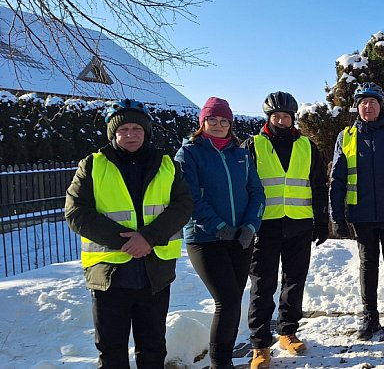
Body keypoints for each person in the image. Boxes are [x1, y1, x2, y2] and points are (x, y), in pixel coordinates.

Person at [64, 99, 193, 368]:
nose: (130, 134)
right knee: (111, 351)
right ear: (113, 133)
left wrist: (148, 237)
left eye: (137, 128)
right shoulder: (91, 165)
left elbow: (183, 206)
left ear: (146, 132)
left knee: (154, 348)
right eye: (123, 130)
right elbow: (75, 212)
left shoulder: (167, 164)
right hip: (110, 276)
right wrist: (126, 241)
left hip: (154, 274)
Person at [174, 97, 264, 368]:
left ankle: (224, 359)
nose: (217, 125)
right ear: (202, 122)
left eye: (224, 120)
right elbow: (190, 199)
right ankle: (220, 363)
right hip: (206, 239)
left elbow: (256, 193)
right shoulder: (189, 153)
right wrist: (219, 227)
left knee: (234, 301)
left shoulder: (241, 154)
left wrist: (250, 227)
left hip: (241, 238)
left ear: (230, 124)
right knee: (226, 300)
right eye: (211, 119)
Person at [243, 91, 329, 368]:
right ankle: (259, 344)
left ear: (293, 118)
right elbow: (243, 187)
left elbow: (318, 186)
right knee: (262, 285)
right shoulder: (252, 146)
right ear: (268, 118)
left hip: (299, 224)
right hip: (264, 226)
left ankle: (288, 332)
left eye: (286, 116)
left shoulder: (307, 146)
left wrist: (321, 221)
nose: (281, 120)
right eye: (276, 116)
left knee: (295, 281)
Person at [330, 82, 384, 341]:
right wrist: (337, 216)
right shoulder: (347, 136)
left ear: (380, 104)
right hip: (361, 214)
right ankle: (369, 316)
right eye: (363, 102)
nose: (368, 106)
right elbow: (337, 178)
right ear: (357, 106)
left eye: (372, 101)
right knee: (368, 265)